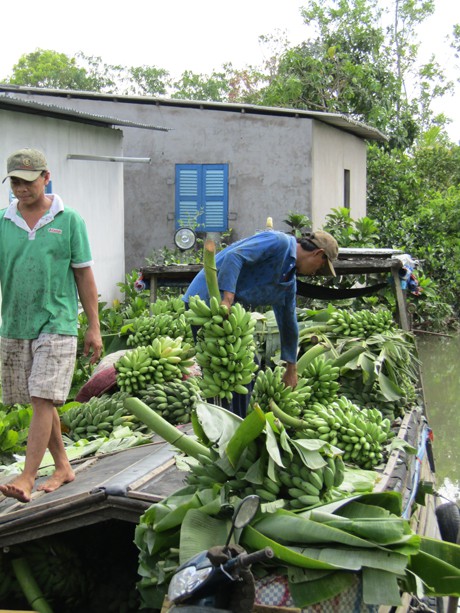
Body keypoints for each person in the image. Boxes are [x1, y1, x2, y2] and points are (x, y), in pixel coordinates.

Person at [0, 148, 102, 503]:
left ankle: (28, 476)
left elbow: (84, 275)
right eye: (15, 181)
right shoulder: (3, 221)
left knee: (43, 395)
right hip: (15, 323)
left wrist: (94, 326)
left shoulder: (68, 219)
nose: (21, 188)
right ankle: (63, 465)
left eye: (28, 181)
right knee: (38, 399)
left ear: (46, 177)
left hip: (56, 321)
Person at [183, 228, 339, 413]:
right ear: (317, 253)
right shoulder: (278, 242)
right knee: (221, 369)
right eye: (320, 267)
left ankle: (238, 420)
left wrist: (291, 367)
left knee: (248, 367)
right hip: (207, 302)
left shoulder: (288, 281)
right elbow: (235, 257)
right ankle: (218, 422)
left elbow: (288, 322)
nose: (315, 272)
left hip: (231, 314)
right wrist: (227, 299)